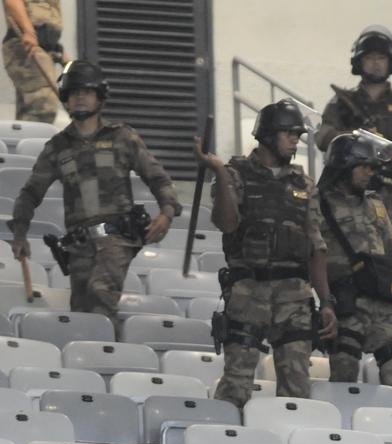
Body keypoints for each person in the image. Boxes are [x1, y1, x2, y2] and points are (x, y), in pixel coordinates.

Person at [9, 59, 179, 322]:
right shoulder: (57, 147)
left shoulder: (122, 137)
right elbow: (30, 193)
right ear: (66, 98)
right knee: (82, 314)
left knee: (100, 293)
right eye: (74, 92)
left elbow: (157, 177)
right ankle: (106, 354)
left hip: (117, 239)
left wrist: (167, 212)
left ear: (100, 98)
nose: (80, 98)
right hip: (78, 247)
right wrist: (19, 233)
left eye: (87, 92)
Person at [195, 98, 336, 407]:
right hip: (248, 291)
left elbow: (316, 247)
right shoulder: (235, 174)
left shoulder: (305, 184)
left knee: (297, 388)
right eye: (289, 134)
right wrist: (219, 172)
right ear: (269, 134)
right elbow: (227, 223)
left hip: (295, 295)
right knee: (237, 383)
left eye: (297, 135)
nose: (294, 141)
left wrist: (325, 302)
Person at [316, 128, 392, 393]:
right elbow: (309, 254)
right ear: (345, 166)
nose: (370, 173)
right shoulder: (319, 203)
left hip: (383, 301)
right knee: (344, 372)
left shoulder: (375, 203)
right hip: (345, 302)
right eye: (363, 167)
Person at [315, 25, 392, 272]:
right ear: (359, 62)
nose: (376, 64)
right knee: (353, 260)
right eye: (369, 58)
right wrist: (359, 140)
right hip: (353, 194)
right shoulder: (342, 104)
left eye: (381, 58)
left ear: (391, 63)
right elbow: (323, 137)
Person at [2, 0, 63, 123]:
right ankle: (36, 142)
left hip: (42, 46)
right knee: (43, 104)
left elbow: (48, 18)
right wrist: (28, 31)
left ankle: (27, 140)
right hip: (27, 43)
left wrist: (60, 53)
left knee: (30, 109)